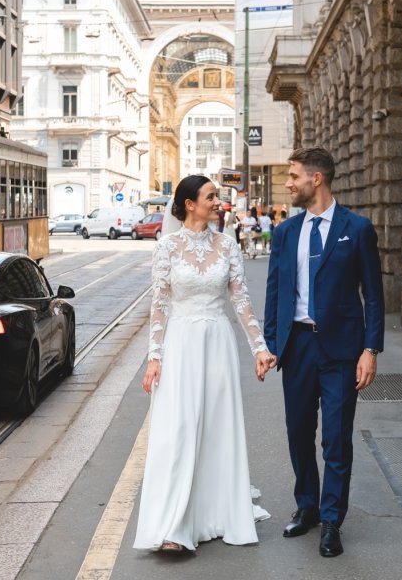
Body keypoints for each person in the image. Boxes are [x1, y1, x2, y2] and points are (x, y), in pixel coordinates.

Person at [134, 174, 275, 553]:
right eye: (211, 196)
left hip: (218, 343)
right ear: (189, 204)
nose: (218, 202)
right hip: (180, 343)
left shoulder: (228, 245)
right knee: (179, 431)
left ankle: (215, 511)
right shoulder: (166, 247)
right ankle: (173, 526)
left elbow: (241, 300)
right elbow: (160, 305)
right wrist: (155, 357)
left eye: (218, 196)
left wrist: (259, 348)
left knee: (217, 427)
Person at [263, 147, 384, 558]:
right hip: (297, 347)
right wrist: (270, 343)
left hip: (342, 351)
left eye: (293, 175)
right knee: (298, 432)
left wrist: (371, 349)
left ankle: (332, 519)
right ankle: (308, 507)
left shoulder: (358, 228)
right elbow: (275, 292)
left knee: (335, 437)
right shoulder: (285, 232)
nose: (288, 182)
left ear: (316, 179)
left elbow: (374, 294)